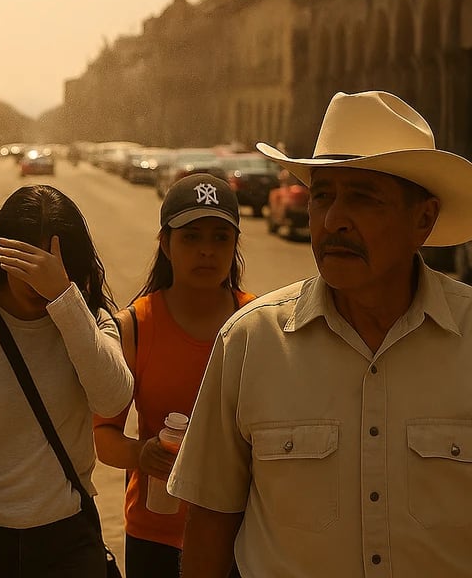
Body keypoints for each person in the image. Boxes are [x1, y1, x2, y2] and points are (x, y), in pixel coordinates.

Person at [169, 91, 472, 578]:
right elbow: (210, 522)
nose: (333, 222)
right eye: (322, 196)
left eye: (363, 199)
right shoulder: (251, 342)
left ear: (424, 219)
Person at [0, 184, 133, 577]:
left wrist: (65, 299)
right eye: (27, 266)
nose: (38, 283)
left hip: (67, 540)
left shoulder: (88, 321)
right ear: (2, 257)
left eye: (51, 268)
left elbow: (112, 398)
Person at [92, 174, 255, 577]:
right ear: (165, 244)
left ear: (235, 245)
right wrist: (140, 454)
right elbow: (102, 437)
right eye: (191, 237)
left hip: (240, 531)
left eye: (220, 237)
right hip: (156, 533)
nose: (206, 251)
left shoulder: (256, 322)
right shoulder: (135, 326)